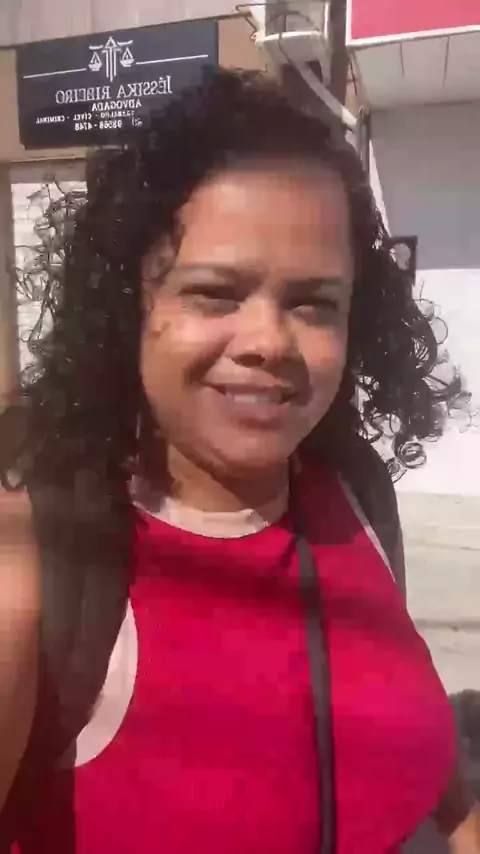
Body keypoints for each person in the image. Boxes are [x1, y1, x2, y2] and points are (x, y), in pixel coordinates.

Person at [0, 69, 478, 854]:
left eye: (313, 302)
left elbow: (415, 735)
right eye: (215, 293)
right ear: (131, 306)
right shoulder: (42, 563)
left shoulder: (353, 493)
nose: (268, 342)